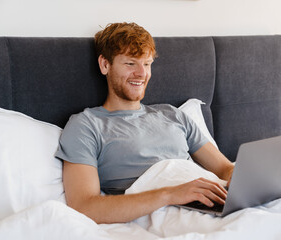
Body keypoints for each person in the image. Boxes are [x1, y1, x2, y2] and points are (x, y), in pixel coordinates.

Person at [55, 22, 234, 224]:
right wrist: (170, 194)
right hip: (168, 211)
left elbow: (225, 168)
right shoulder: (86, 125)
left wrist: (244, 180)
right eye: (131, 63)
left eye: (147, 64)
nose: (142, 73)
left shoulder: (174, 115)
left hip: (212, 201)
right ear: (105, 65)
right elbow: (84, 206)